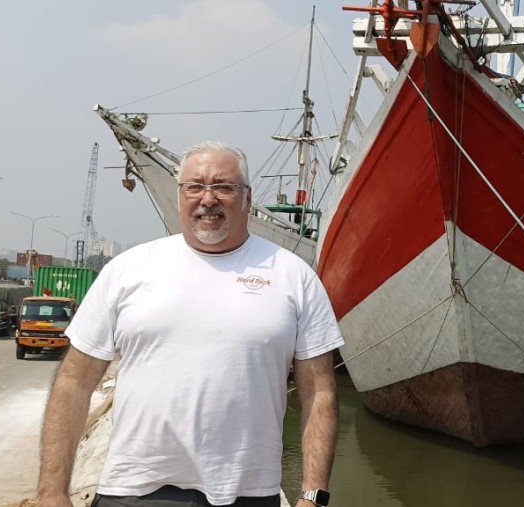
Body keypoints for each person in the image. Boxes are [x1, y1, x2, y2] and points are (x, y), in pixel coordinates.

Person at [37, 141, 344, 507]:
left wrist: (312, 495)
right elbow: (74, 382)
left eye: (224, 187)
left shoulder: (294, 276)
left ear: (247, 197)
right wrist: (51, 493)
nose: (208, 198)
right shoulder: (126, 270)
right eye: (195, 186)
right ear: (181, 194)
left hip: (248, 494)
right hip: (133, 491)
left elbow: (319, 392)